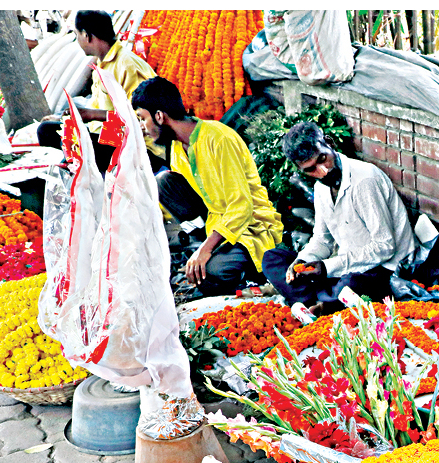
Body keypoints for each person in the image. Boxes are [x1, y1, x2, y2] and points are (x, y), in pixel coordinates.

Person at [131, 77, 282, 297]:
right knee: (164, 183)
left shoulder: (218, 139)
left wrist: (205, 250)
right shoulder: (177, 147)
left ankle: (244, 268)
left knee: (211, 273)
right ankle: (204, 244)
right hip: (216, 220)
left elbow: (242, 207)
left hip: (250, 224)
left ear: (160, 116)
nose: (142, 127)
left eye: (142, 119)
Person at [261, 121, 416, 315]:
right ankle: (325, 302)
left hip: (385, 270)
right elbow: (322, 240)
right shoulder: (321, 188)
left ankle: (319, 302)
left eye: (322, 159)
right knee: (272, 259)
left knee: (350, 284)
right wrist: (301, 261)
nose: (323, 171)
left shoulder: (364, 180)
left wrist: (327, 268)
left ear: (330, 144)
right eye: (310, 169)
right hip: (346, 266)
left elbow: (385, 246)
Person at [37, 10, 160, 173]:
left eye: (77, 35)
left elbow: (143, 120)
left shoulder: (127, 65)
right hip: (108, 135)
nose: (77, 40)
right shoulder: (101, 65)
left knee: (75, 145)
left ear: (87, 36)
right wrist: (65, 118)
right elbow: (97, 111)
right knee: (46, 130)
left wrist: (92, 115)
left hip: (140, 148)